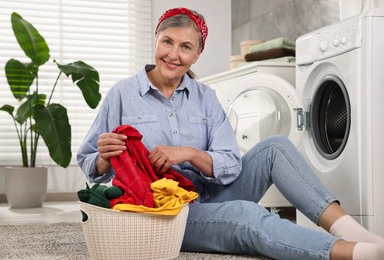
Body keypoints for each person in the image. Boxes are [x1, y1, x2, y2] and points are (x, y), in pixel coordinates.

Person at [77, 7, 384, 260]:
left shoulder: (205, 97)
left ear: (197, 55)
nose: (173, 54)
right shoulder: (123, 94)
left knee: (275, 147)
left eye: (185, 47)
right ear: (156, 41)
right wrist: (104, 159)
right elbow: (89, 162)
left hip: (210, 195)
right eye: (167, 42)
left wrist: (190, 153)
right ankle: (355, 253)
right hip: (168, 215)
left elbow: (230, 165)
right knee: (245, 216)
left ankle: (357, 234)